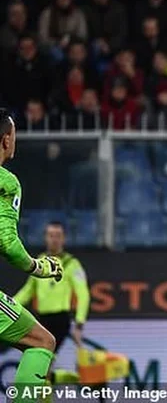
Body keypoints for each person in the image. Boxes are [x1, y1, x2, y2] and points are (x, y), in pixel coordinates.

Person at [0, 109, 65, 398]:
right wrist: (38, 267)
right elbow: (7, 243)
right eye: (14, 135)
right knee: (41, 341)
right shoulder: (6, 182)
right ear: (6, 140)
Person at [14, 220, 90, 385]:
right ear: (45, 238)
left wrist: (79, 324)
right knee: (41, 370)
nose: (54, 239)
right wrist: (9, 305)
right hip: (41, 320)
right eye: (51, 235)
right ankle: (78, 380)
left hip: (60, 320)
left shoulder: (71, 263)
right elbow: (28, 291)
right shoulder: (40, 262)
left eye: (58, 236)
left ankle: (78, 381)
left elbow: (83, 294)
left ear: (63, 239)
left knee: (43, 367)